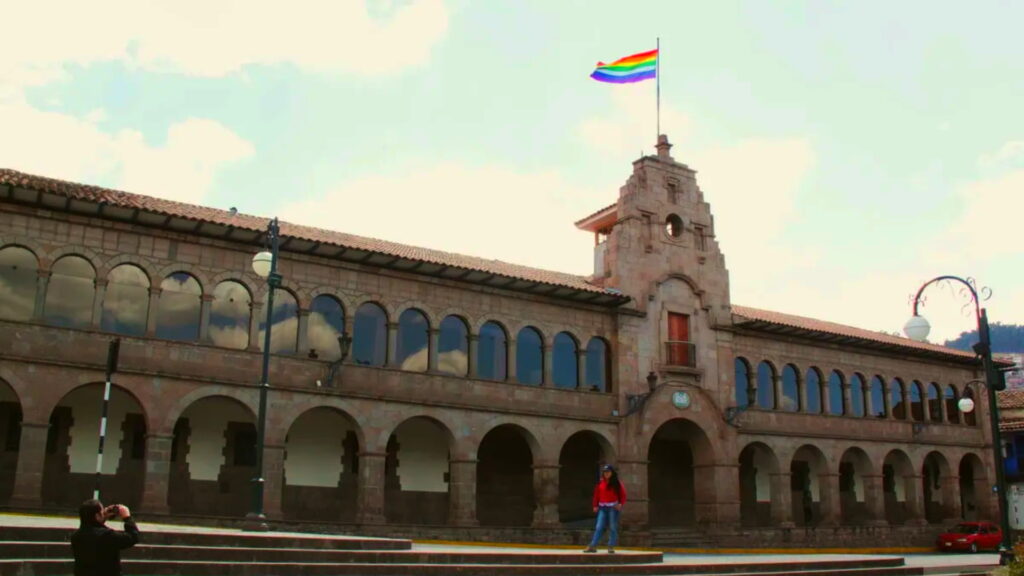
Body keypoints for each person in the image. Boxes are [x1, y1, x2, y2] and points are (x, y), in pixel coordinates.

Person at [71, 499, 140, 576]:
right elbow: (133, 537)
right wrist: (127, 517)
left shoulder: (76, 536)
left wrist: (103, 517)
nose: (104, 512)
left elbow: (92, 528)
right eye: (102, 512)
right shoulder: (106, 535)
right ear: (97, 516)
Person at [584, 464, 626, 554]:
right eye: (605, 472)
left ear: (612, 473)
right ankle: (593, 545)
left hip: (613, 508)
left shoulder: (617, 483)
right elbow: (596, 495)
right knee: (599, 527)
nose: (606, 474)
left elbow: (623, 495)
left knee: (612, 527)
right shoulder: (600, 483)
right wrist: (595, 505)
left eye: (608, 472)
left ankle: (611, 546)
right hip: (602, 507)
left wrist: (620, 504)